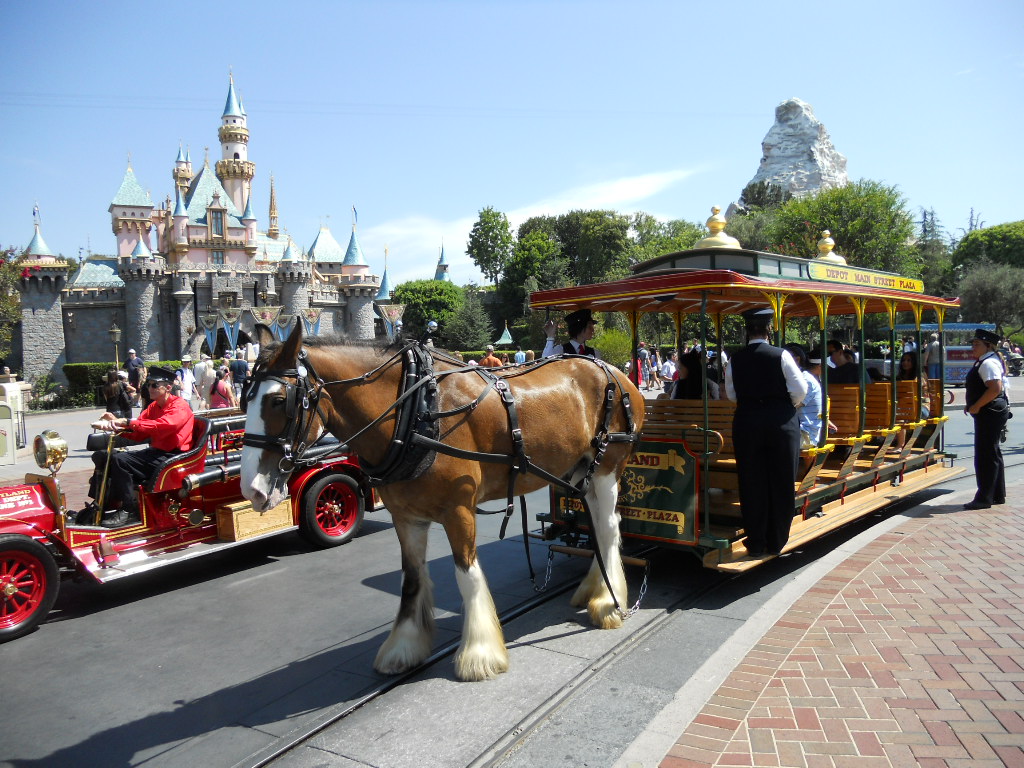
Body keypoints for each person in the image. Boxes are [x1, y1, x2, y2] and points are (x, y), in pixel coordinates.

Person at [725, 308, 808, 557]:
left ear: (746, 331)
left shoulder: (735, 359)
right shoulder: (781, 355)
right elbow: (800, 390)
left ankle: (757, 540)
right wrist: (782, 406)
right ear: (769, 330)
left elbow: (731, 395)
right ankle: (777, 540)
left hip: (747, 422)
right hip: (781, 423)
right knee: (782, 481)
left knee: (751, 482)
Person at [86, 367, 196, 527]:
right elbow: (139, 432)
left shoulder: (180, 406)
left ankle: (129, 509)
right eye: (148, 384)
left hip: (173, 456)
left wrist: (127, 422)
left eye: (154, 385)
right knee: (102, 456)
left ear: (168, 388)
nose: (149, 388)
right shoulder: (153, 407)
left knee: (119, 460)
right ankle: (100, 504)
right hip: (156, 453)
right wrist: (115, 425)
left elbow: (164, 425)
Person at [963, 328, 1010, 510]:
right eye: (973, 344)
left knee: (985, 455)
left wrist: (976, 405)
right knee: (992, 452)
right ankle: (996, 494)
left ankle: (984, 497)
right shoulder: (985, 361)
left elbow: (994, 389)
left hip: (989, 411)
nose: (973, 347)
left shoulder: (988, 363)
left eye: (977, 344)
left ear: (988, 346)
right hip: (990, 411)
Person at [784, 344, 822, 448]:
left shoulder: (807, 381)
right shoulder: (807, 378)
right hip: (802, 429)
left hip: (806, 433)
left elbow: (795, 404)